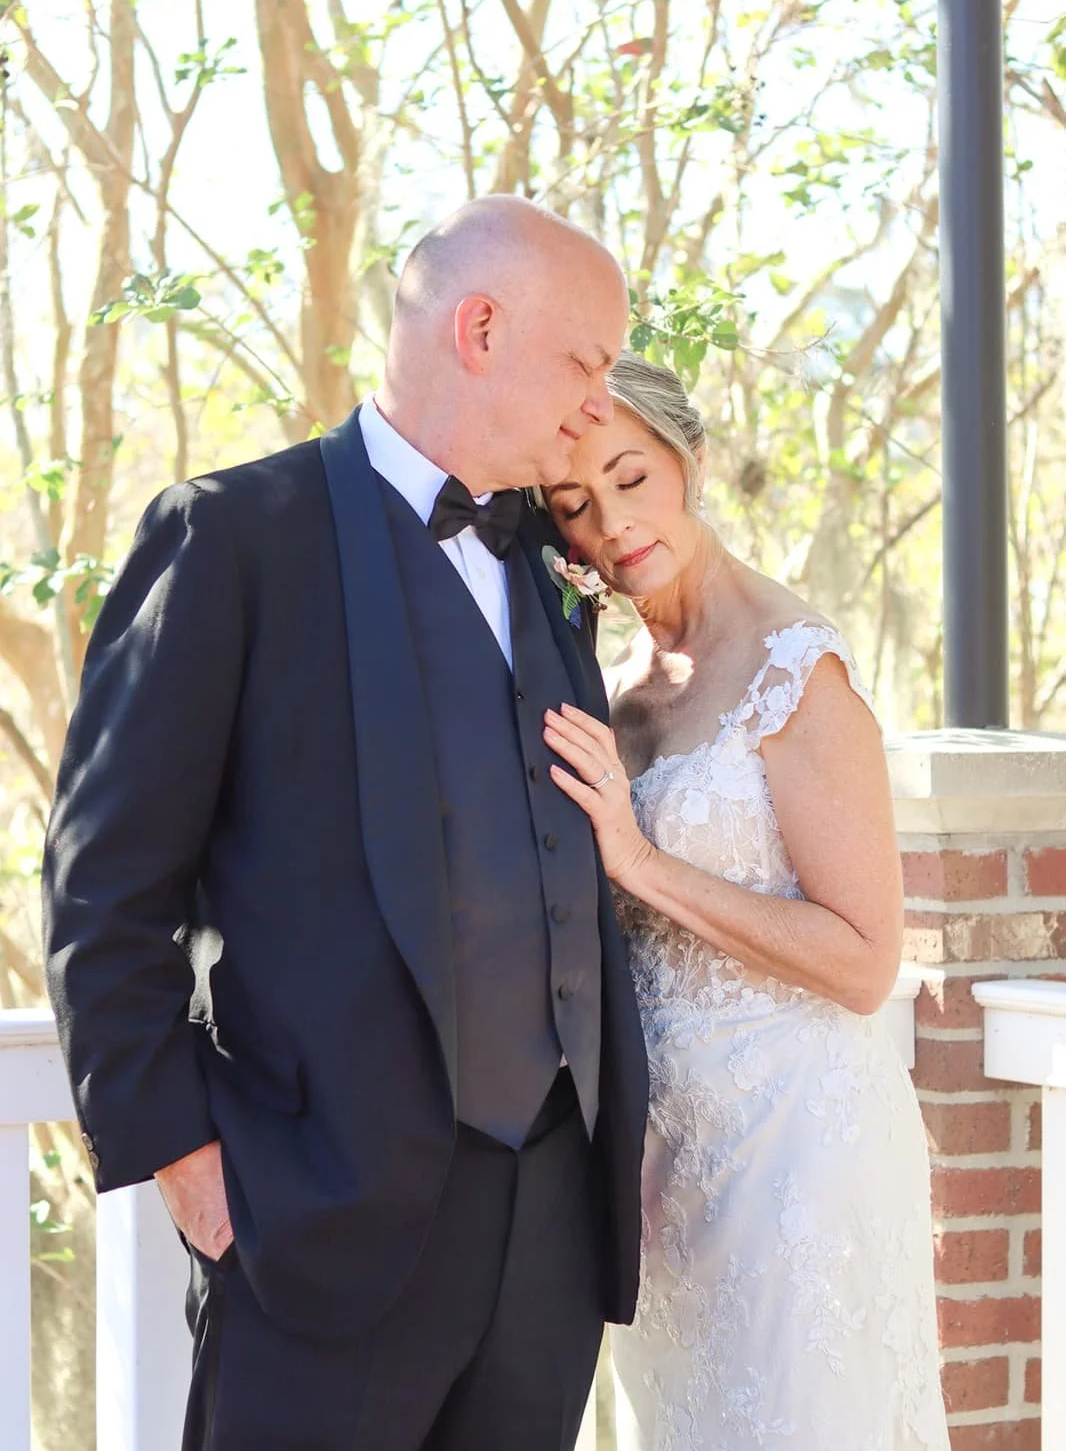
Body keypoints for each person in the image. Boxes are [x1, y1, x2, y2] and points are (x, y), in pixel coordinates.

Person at [41, 196, 649, 1451]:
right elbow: (103, 886)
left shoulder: (550, 557)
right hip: (314, 1220)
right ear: (479, 326)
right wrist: (190, 1170)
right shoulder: (230, 536)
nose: (600, 402)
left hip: (546, 1234)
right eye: (586, 360)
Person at [542, 352, 950, 1450]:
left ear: (691, 461)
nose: (613, 524)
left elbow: (865, 959)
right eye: (576, 504)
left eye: (631, 477)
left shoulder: (793, 667)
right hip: (668, 1182)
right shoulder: (609, 686)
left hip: (799, 1158)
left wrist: (640, 859)